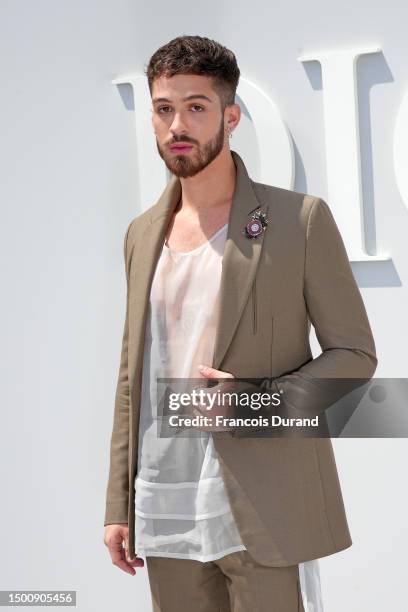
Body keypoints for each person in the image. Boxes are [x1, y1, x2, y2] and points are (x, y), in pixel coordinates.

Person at [103, 35, 377, 612]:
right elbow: (133, 376)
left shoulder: (297, 220)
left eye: (196, 107)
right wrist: (118, 505)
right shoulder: (140, 234)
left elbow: (354, 354)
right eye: (164, 108)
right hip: (164, 501)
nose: (178, 124)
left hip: (262, 503)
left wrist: (256, 403)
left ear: (231, 116)